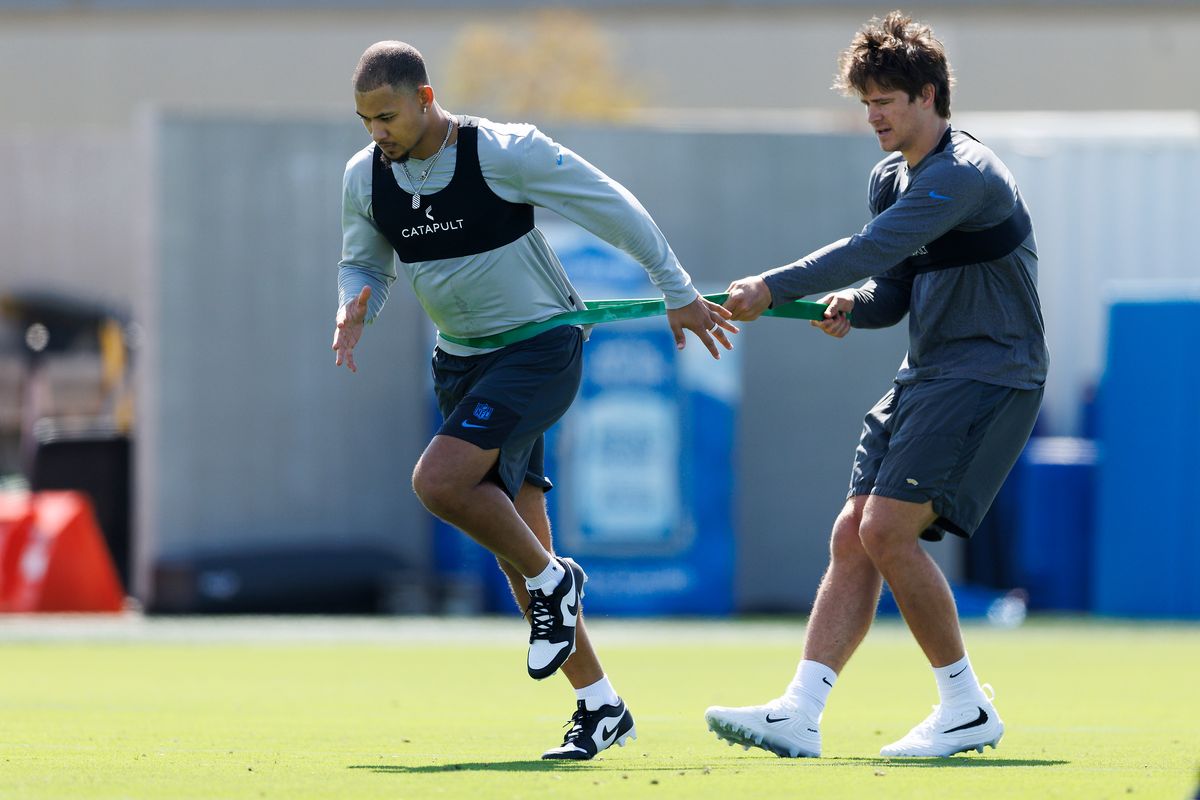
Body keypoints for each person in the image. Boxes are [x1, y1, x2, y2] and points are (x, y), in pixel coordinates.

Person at [332, 40, 737, 761]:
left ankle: (558, 579)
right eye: (365, 121)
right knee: (513, 545)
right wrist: (354, 302)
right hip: (460, 363)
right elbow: (365, 258)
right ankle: (600, 705)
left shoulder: (504, 152)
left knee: (440, 482)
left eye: (387, 117)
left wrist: (676, 289)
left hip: (540, 347)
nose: (377, 134)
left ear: (425, 99)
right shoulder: (366, 176)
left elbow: (611, 206)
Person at [706, 11, 1048, 759]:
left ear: (927, 96)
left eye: (884, 102)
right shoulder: (888, 176)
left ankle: (964, 706)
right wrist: (851, 307)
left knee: (887, 531)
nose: (872, 118)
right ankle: (799, 713)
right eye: (865, 103)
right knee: (853, 534)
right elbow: (889, 286)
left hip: (991, 371)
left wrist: (769, 284)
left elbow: (870, 249)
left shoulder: (967, 172)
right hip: (928, 372)